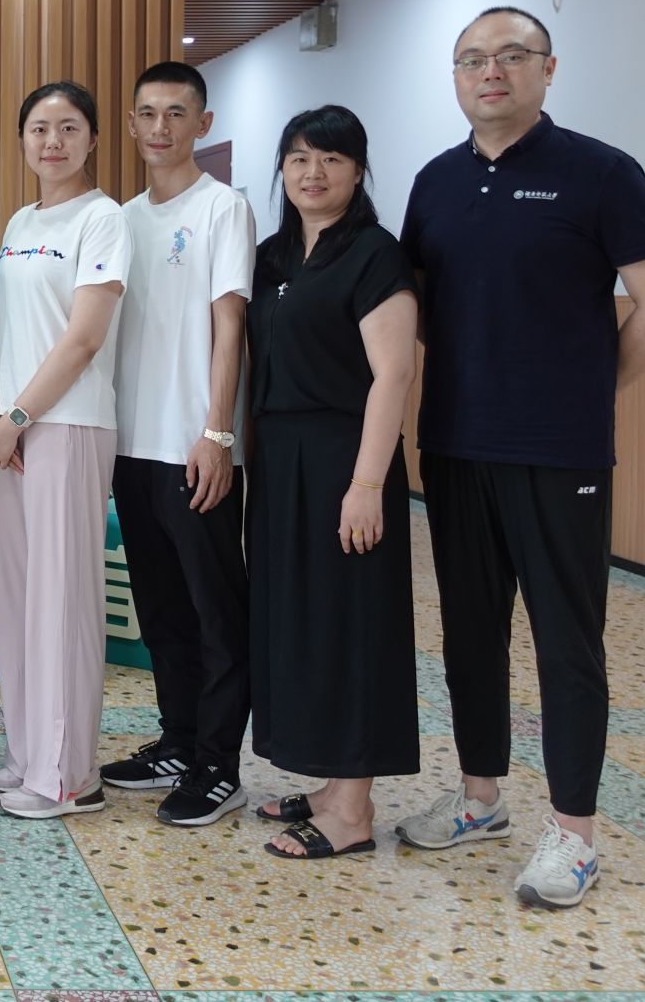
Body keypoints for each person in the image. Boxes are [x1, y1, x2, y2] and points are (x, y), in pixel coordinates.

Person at [398, 6, 645, 908]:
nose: (491, 71)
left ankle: (574, 833)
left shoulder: (602, 172)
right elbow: (418, 314)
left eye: (511, 55)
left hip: (560, 453)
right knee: (469, 634)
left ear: (547, 69)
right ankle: (479, 796)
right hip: (454, 445)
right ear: (455, 77)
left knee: (567, 641)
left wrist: (585, 393)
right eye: (472, 59)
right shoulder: (436, 182)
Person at [245, 106, 420, 861]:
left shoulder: (375, 254)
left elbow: (394, 373)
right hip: (280, 458)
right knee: (301, 620)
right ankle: (329, 786)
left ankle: (353, 810)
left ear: (358, 169)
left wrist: (367, 483)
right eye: (298, 158)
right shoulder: (273, 256)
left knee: (353, 623)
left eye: (332, 159)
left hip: (346, 457)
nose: (313, 173)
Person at [102, 61, 257, 828]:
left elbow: (231, 325)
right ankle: (178, 739)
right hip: (132, 446)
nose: (160, 126)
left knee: (214, 611)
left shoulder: (223, 208)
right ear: (131, 123)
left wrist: (217, 431)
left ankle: (219, 763)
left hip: (195, 446)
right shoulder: (121, 219)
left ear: (203, 122)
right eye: (148, 112)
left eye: (176, 112)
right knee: (160, 606)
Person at [0, 81, 130, 820]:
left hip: (66, 425)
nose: (53, 141)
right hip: (14, 432)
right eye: (39, 128)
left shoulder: (103, 218)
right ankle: (28, 755)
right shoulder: (20, 221)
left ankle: (69, 777)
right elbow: (5, 330)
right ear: (22, 140)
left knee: (62, 601)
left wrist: (16, 415)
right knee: (18, 599)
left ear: (93, 138)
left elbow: (84, 337)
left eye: (69, 127)